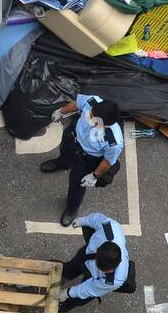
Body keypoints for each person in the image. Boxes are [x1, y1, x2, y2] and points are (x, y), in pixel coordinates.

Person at [40, 95, 124, 227]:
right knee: (65, 151)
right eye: (90, 113)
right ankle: (62, 163)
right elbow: (76, 104)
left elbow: (107, 161)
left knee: (77, 185)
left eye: (93, 118)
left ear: (104, 124)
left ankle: (72, 208)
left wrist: (94, 176)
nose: (89, 117)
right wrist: (61, 112)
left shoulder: (113, 141)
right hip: (73, 137)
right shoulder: (93, 102)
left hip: (87, 158)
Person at [58, 212, 131, 313]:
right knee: (70, 269)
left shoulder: (113, 280)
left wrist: (67, 293)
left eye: (103, 270)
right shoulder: (110, 228)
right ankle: (68, 274)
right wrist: (84, 221)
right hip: (88, 255)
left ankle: (65, 304)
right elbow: (97, 219)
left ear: (114, 267)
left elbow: (89, 288)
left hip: (95, 278)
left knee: (78, 299)